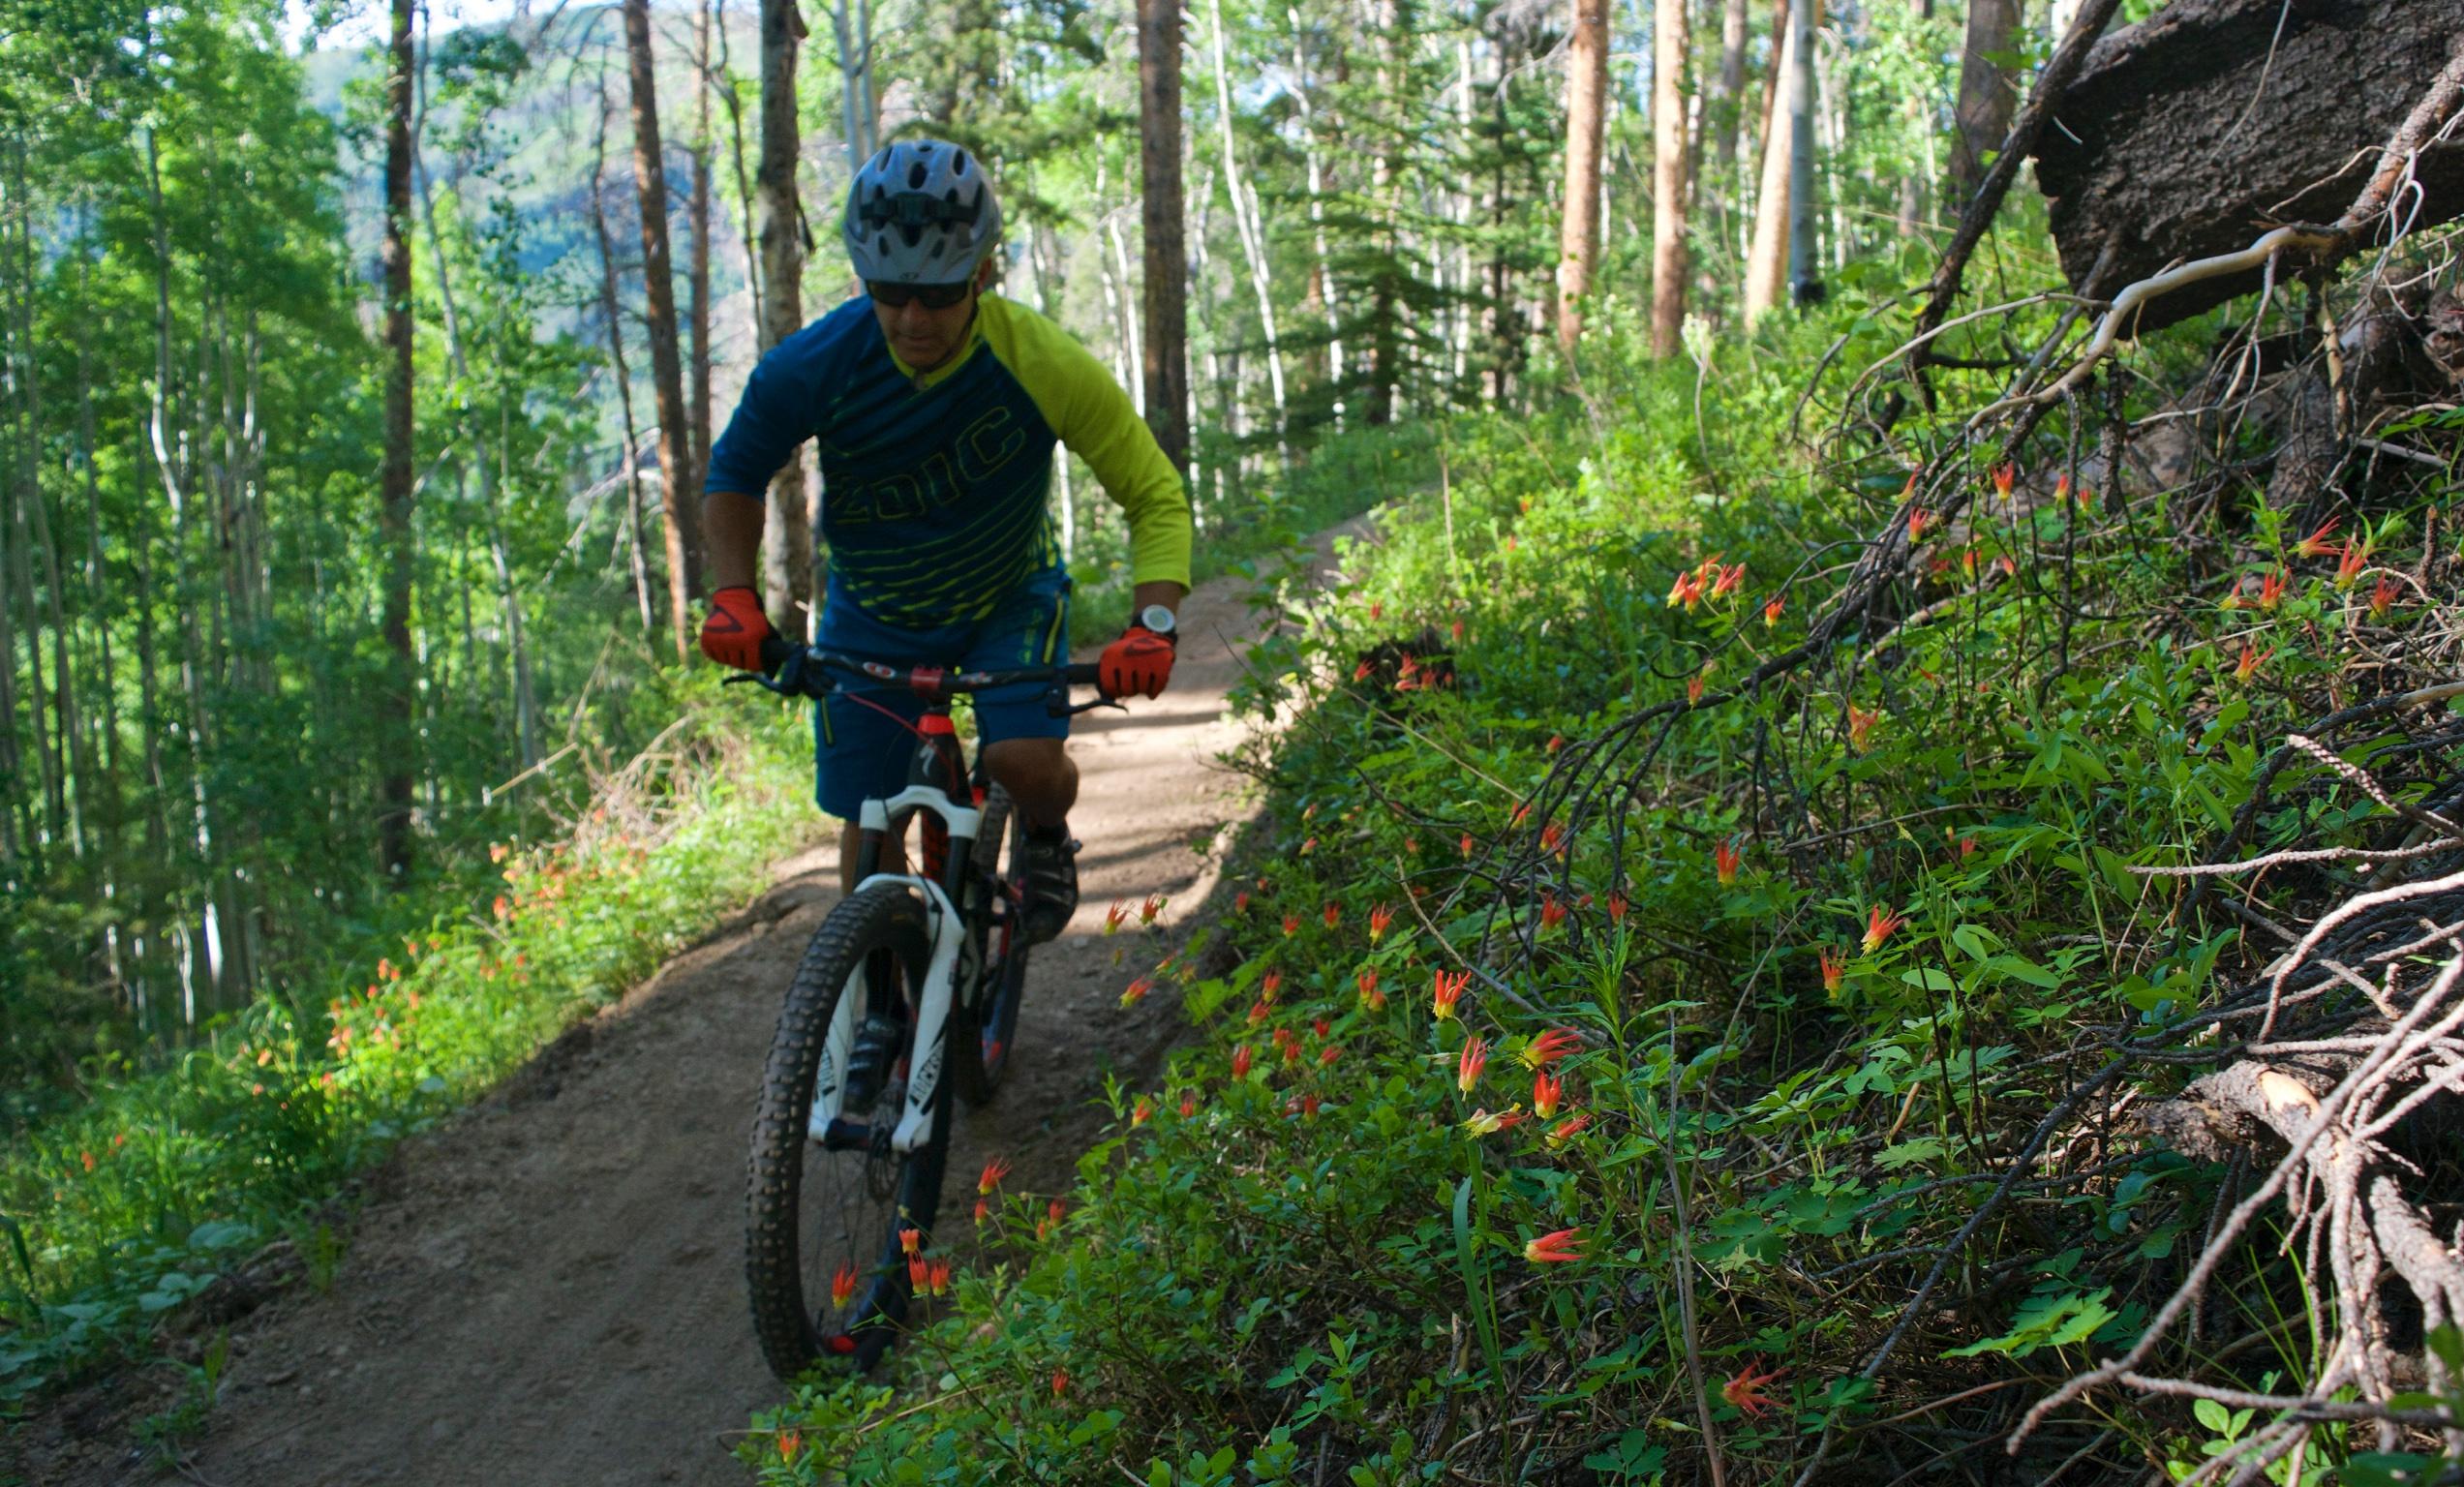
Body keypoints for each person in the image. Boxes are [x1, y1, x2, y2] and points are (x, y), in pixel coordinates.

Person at [695, 138, 1192, 945]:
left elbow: (1153, 493)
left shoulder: (1039, 361)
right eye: (890, 292)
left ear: (982, 276)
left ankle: (1041, 835)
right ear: (863, 278)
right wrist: (733, 598)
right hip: (872, 608)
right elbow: (735, 472)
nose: (911, 317)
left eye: (937, 294)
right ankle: (879, 1024)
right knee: (867, 837)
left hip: (1007, 598)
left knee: (1023, 760)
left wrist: (1153, 624)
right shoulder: (818, 364)